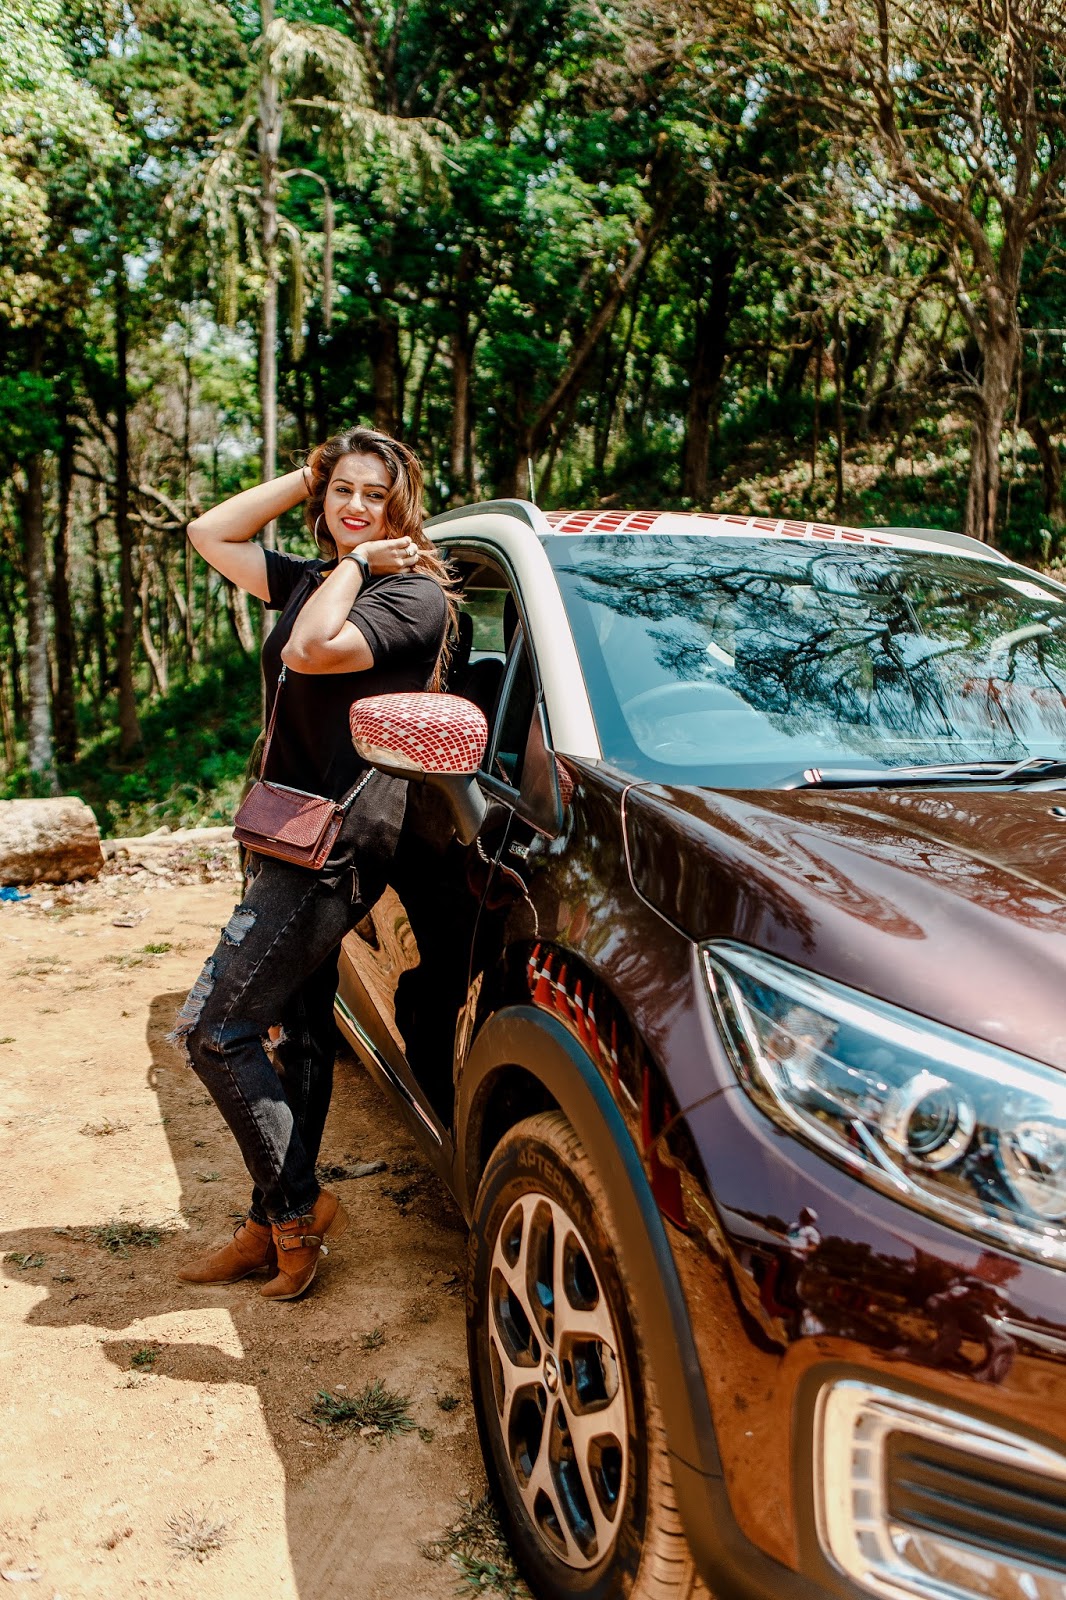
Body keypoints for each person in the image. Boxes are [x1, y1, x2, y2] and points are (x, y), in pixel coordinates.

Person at [171, 425, 452, 1301]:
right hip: (282, 831)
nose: (356, 506)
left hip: (336, 847)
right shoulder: (311, 578)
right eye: (343, 490)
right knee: (297, 1036)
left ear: (402, 507)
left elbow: (309, 650)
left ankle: (296, 1212)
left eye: (376, 493)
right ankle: (272, 1222)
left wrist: (360, 563)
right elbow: (208, 533)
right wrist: (308, 473)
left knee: (215, 1029)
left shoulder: (413, 597)